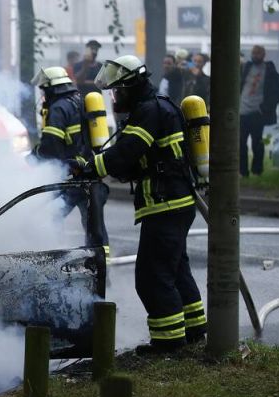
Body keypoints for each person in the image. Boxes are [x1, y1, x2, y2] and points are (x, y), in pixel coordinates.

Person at [76, 54, 205, 353]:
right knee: (176, 270)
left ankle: (168, 343)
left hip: (165, 203)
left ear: (132, 86)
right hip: (175, 202)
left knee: (152, 275)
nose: (114, 96)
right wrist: (98, 164)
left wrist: (90, 168)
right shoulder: (156, 107)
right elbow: (133, 161)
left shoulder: (149, 111)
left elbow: (126, 152)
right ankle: (194, 329)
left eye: (117, 90)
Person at [30, 66, 109, 256]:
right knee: (94, 227)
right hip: (89, 172)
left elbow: (50, 147)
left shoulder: (58, 108)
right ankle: (102, 268)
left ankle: (55, 259)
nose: (42, 94)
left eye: (43, 89)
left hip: (70, 176)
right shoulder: (79, 101)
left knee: (49, 216)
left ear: (51, 87)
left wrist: (32, 157)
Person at [240, 45, 279, 177]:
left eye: (258, 53)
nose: (255, 55)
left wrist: (263, 108)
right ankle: (242, 171)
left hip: (257, 113)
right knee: (240, 143)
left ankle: (257, 170)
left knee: (257, 143)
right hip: (242, 111)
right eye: (253, 53)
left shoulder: (270, 70)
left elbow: (278, 93)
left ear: (263, 55)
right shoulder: (246, 68)